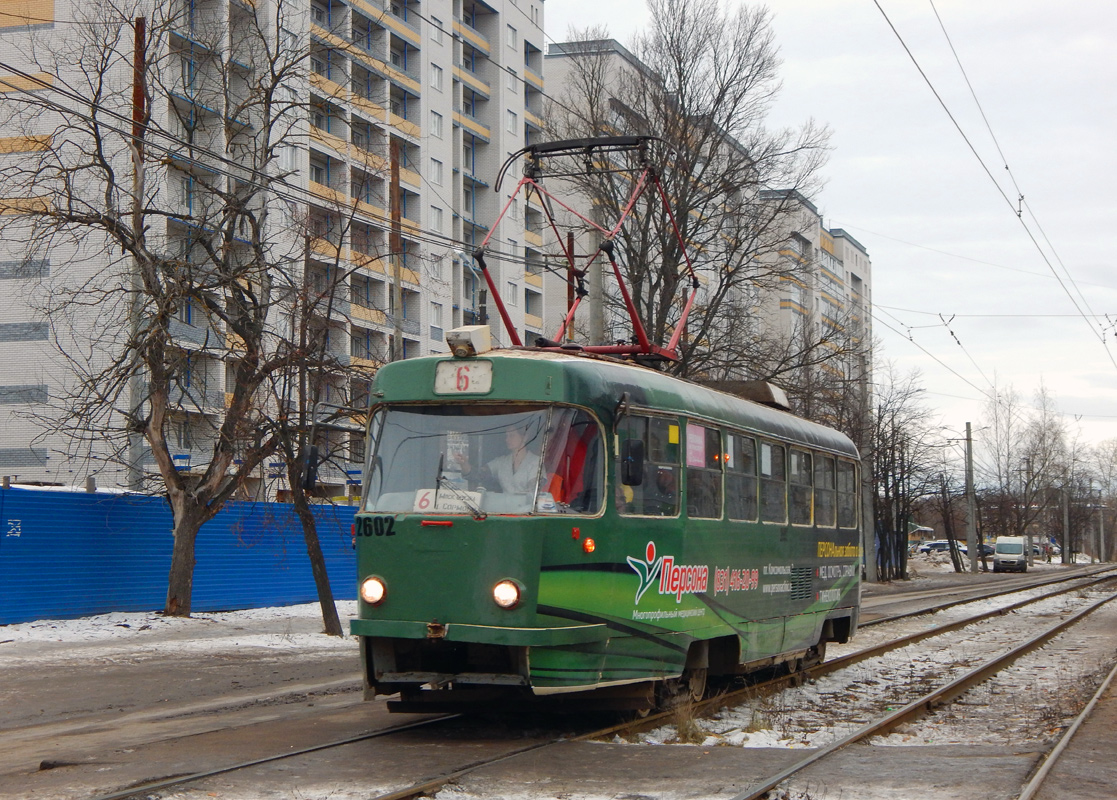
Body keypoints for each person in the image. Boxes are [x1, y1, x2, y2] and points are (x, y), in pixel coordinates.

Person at [455, 425, 541, 494]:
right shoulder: (501, 462)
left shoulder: (536, 462)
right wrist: (464, 464)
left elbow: (533, 492)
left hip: (527, 512)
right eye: (506, 436)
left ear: (525, 437)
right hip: (503, 511)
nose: (507, 439)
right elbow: (478, 475)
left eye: (512, 436)